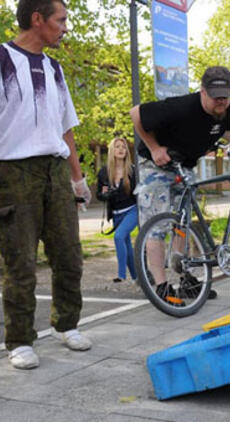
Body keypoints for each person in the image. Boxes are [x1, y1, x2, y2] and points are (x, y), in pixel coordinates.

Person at [0, 0, 93, 369]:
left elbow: (65, 127)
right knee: (20, 261)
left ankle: (65, 324)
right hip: (13, 171)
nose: (65, 27)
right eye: (61, 19)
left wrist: (78, 179)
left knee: (69, 255)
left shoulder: (55, 69)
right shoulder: (3, 59)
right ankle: (20, 339)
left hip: (55, 171)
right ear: (37, 20)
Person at [130, 65, 230, 302]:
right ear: (202, 91)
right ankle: (161, 286)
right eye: (215, 97)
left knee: (183, 222)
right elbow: (136, 113)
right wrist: (154, 148)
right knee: (156, 225)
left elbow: (224, 129)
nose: (220, 102)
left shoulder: (225, 108)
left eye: (225, 96)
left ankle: (185, 278)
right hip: (156, 166)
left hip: (185, 165)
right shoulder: (179, 107)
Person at [97, 137, 138, 283]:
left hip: (132, 210)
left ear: (127, 151)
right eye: (117, 147)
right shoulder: (104, 172)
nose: (121, 149)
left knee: (119, 236)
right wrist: (104, 194)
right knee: (126, 244)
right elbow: (99, 195)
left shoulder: (133, 171)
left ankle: (121, 274)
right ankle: (137, 277)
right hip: (116, 214)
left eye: (123, 147)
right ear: (112, 151)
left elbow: (138, 192)